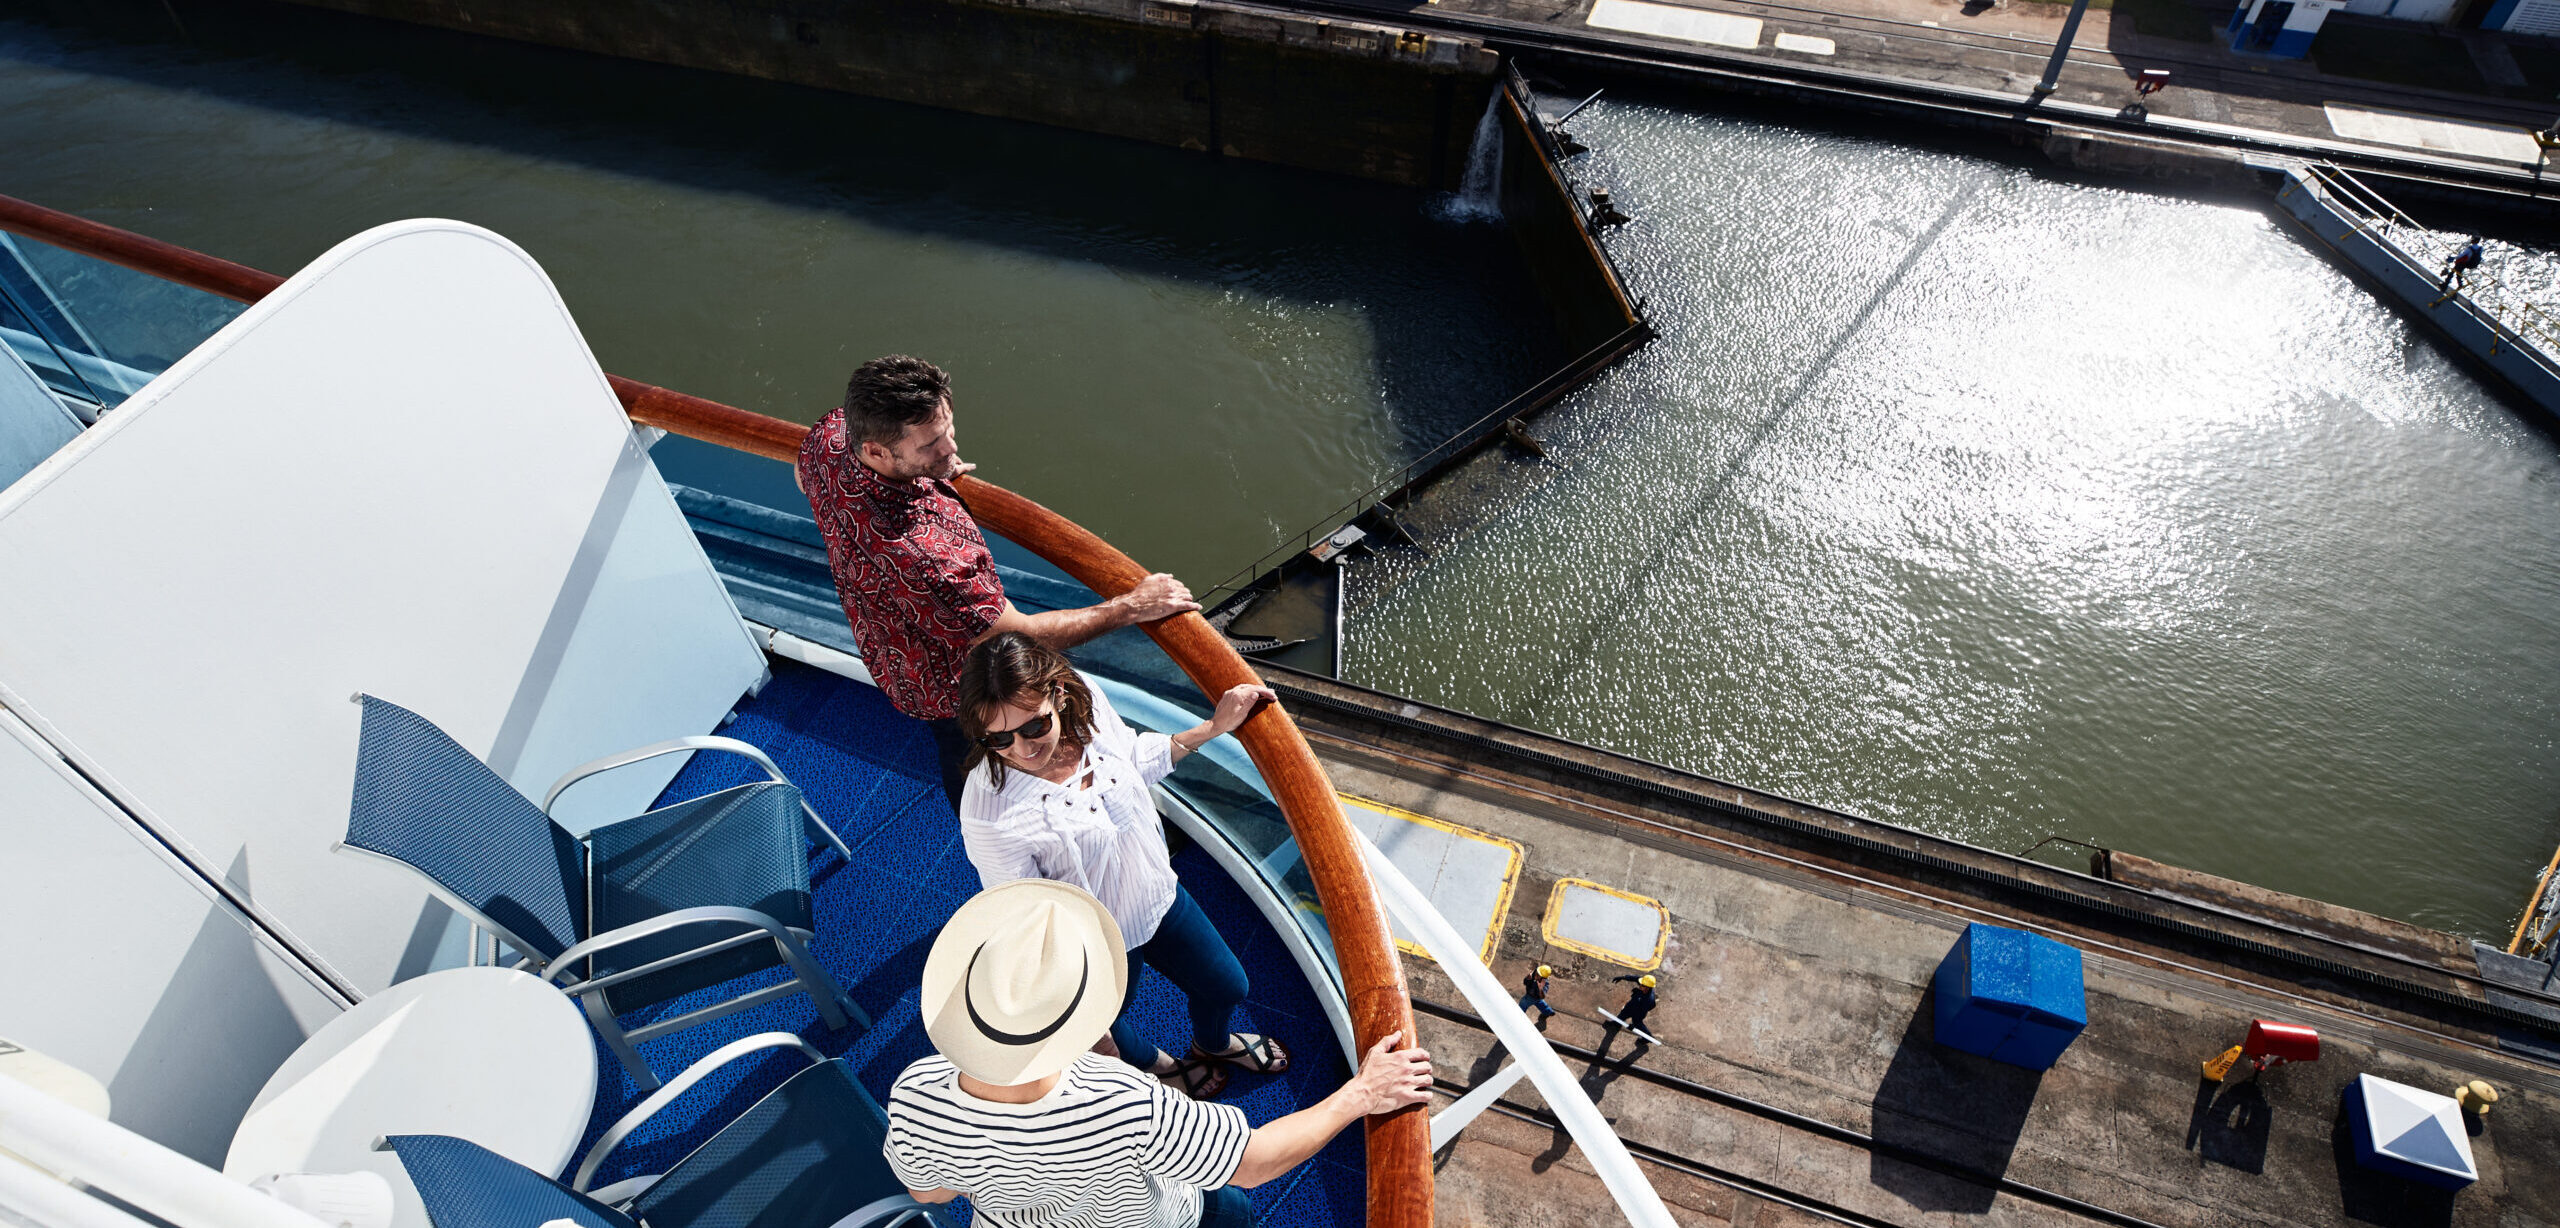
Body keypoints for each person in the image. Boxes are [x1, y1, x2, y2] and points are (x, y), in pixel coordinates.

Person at [884, 879, 1434, 1228]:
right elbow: (1254, 1162)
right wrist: (1361, 1093)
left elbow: (929, 1192)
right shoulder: (1121, 1102)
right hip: (1154, 1219)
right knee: (1232, 1211)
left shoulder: (915, 1092)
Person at [796, 355, 1199, 810]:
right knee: (983, 754)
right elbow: (1014, 633)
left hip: (893, 657)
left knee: (959, 750)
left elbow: (802, 473)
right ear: (876, 451)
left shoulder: (830, 440)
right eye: (930, 444)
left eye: (948, 428)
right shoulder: (926, 555)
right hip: (954, 683)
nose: (950, 448)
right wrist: (1130, 606)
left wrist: (928, 473)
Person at [956, 631, 1282, 1097]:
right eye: (998, 737)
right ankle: (1160, 1067)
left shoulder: (1086, 704)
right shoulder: (988, 813)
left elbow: (1130, 758)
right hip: (1094, 946)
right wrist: (1075, 1009)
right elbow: (1025, 913)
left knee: (1228, 985)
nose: (1022, 748)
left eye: (1034, 727)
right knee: (1110, 1028)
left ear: (1059, 695)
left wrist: (1212, 728)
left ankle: (1212, 1044)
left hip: (1156, 895)